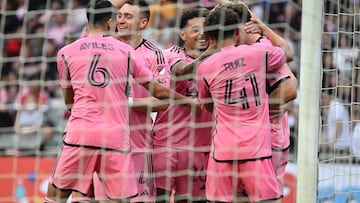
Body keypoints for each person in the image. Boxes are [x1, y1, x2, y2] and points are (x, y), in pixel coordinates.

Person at [45, 1, 199, 202]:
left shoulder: (66, 52)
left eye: (128, 16)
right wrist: (188, 102)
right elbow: (160, 92)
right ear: (111, 21)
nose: (121, 21)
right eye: (119, 17)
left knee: (57, 194)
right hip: (116, 137)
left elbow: (69, 102)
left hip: (81, 134)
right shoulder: (125, 51)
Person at [196, 6, 287, 202]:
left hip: (222, 151)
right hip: (256, 150)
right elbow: (286, 52)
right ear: (238, 31)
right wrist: (262, 28)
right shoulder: (259, 53)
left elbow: (208, 105)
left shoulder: (204, 67)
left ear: (210, 38)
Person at [152, 8, 213, 203]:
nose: (202, 34)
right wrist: (213, 52)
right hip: (166, 144)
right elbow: (182, 71)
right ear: (183, 34)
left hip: (200, 148)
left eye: (206, 29)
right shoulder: (169, 55)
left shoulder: (219, 61)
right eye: (196, 29)